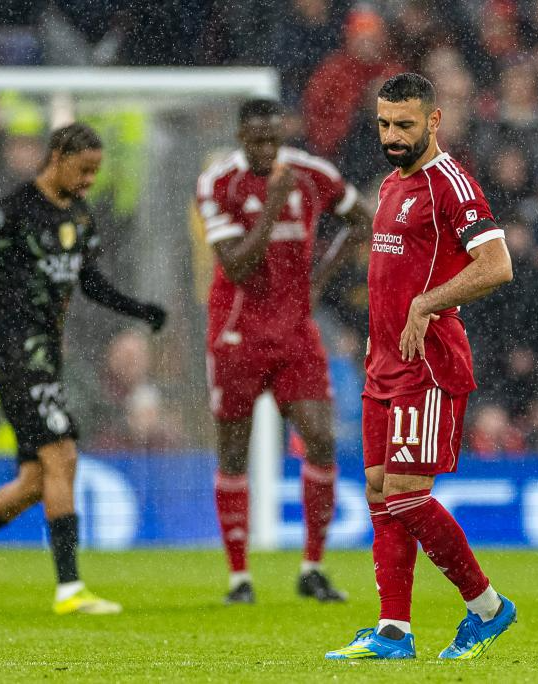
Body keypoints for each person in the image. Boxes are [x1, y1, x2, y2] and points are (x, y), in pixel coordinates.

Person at [0, 123, 166, 615]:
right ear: (58, 157)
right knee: (62, 453)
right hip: (8, 347)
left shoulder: (79, 215)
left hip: (43, 352)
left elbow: (90, 282)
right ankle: (70, 588)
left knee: (34, 480)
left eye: (96, 171)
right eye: (83, 169)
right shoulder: (14, 211)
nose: (90, 180)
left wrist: (137, 310)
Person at [326, 73, 515, 661]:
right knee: (380, 491)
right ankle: (393, 631)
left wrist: (426, 303)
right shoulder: (389, 184)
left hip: (427, 364)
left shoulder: (452, 184)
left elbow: (497, 264)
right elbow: (393, 274)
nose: (392, 136)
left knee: (407, 496)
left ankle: (488, 608)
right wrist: (377, 331)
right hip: (384, 362)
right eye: (384, 124)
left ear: (434, 121)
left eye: (404, 125)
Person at [196, 98, 371, 604]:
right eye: (257, 140)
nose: (267, 150)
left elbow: (362, 220)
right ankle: (239, 578)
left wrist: (321, 279)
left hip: (295, 331)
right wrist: (273, 206)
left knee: (320, 438)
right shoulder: (218, 184)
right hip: (237, 332)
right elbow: (236, 266)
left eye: (274, 139)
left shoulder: (312, 174)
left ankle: (312, 568)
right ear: (240, 137)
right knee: (234, 451)